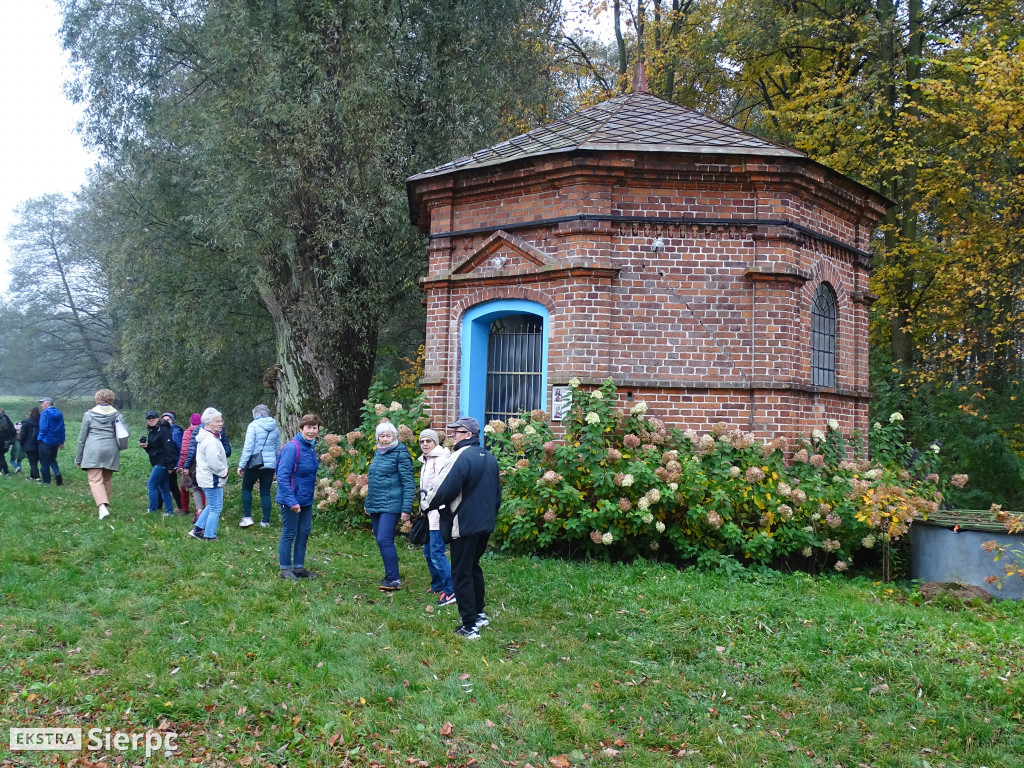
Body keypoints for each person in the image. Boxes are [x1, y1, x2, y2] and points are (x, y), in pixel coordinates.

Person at [427, 417, 501, 640]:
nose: (453, 436)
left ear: (468, 435)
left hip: (464, 523)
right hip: (485, 523)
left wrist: (426, 504)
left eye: (457, 432)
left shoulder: (460, 456)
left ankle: (469, 626)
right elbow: (497, 495)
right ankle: (479, 613)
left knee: (460, 572)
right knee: (473, 566)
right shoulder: (490, 458)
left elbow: (443, 487)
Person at [365, 421, 416, 591]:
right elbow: (373, 481)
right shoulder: (378, 453)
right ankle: (389, 575)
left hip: (392, 504)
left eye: (388, 436)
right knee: (381, 540)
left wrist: (406, 509)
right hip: (376, 504)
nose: (385, 439)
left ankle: (394, 579)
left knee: (384, 539)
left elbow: (408, 483)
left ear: (394, 436)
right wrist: (368, 503)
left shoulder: (401, 453)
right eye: (382, 436)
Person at [276, 413, 321, 579]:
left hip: (306, 499)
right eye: (308, 427)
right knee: (289, 532)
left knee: (304, 532)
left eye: (314, 428)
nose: (311, 431)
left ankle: (299, 568)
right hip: (292, 499)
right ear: (301, 428)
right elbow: (282, 476)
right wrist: (291, 500)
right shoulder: (292, 447)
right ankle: (285, 568)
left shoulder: (310, 447)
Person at [75, 389, 126, 520]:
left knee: (95, 480)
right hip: (111, 449)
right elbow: (125, 432)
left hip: (93, 449)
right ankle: (103, 507)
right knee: (107, 480)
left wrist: (78, 457)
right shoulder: (117, 415)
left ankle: (102, 507)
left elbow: (82, 438)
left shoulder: (89, 414)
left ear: (97, 399)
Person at [417, 428, 455, 605]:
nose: (425, 444)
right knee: (428, 552)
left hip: (437, 514)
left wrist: (431, 506)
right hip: (427, 512)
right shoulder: (425, 460)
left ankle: (451, 590)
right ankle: (438, 584)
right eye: (422, 441)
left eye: (428, 441)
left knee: (437, 552)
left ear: (435, 443)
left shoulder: (439, 460)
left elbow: (441, 488)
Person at [236, 404, 281, 528]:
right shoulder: (275, 428)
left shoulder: (253, 426)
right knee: (265, 492)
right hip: (270, 465)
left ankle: (247, 517)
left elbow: (248, 447)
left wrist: (242, 464)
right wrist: (276, 466)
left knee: (246, 488)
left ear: (255, 414)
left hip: (255, 464)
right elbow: (277, 449)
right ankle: (266, 521)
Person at [189, 408, 229, 541]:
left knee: (211, 506)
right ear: (207, 423)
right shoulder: (210, 440)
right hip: (212, 478)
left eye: (221, 421)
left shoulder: (209, 437)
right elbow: (213, 463)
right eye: (217, 421)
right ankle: (210, 535)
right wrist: (224, 473)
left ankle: (197, 530)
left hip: (207, 477)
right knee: (216, 508)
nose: (221, 423)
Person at [140, 409, 178, 514]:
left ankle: (153, 510)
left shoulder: (164, 429)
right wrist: (146, 447)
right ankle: (169, 512)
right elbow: (154, 449)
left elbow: (169, 447)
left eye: (153, 418)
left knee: (151, 485)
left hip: (163, 462)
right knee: (164, 488)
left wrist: (171, 466)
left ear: (158, 419)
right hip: (157, 461)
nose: (151, 420)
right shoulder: (152, 431)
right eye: (149, 418)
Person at [177, 413, 205, 517]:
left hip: (190, 462)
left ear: (191, 422)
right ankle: (204, 509)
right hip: (201, 462)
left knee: (185, 485)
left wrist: (182, 465)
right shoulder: (205, 430)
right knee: (202, 485)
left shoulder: (188, 432)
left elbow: (184, 450)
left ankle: (184, 508)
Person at [36, 397, 66, 485]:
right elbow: (62, 428)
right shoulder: (59, 413)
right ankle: (57, 474)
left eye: (42, 403)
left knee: (44, 462)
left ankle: (46, 482)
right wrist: (61, 441)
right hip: (56, 441)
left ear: (48, 404)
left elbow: (43, 428)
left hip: (46, 440)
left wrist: (39, 438)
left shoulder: (45, 413)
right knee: (52, 459)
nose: (41, 405)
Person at [20, 407, 41, 482]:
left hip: (29, 445)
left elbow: (22, 435)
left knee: (32, 463)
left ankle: (37, 478)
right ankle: (31, 477)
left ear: (30, 413)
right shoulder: (41, 422)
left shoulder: (26, 423)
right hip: (39, 445)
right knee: (35, 462)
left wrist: (22, 444)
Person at [0, 407, 14, 476]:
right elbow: (12, 430)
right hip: (4, 440)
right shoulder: (5, 418)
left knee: (1, 456)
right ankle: (6, 472)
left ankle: (6, 472)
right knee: (1, 456)